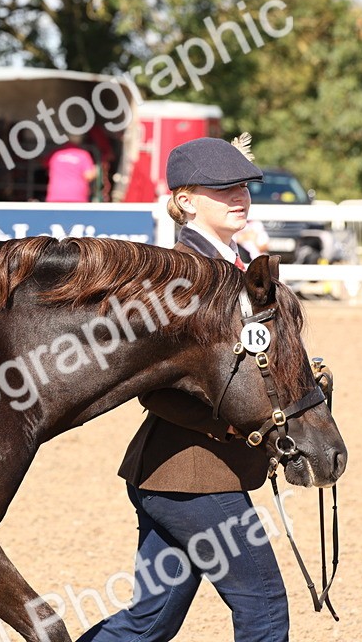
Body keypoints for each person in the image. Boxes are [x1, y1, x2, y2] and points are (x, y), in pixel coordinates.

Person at [79, 135, 290, 642]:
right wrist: (246, 424)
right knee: (263, 606)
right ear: (187, 200)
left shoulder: (241, 265)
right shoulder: (177, 278)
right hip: (192, 477)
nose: (239, 196)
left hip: (176, 477)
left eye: (242, 185)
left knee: (148, 623)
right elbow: (151, 387)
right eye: (224, 189)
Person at [44, 134, 97, 202]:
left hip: (55, 194)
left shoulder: (56, 154)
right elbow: (88, 176)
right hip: (77, 196)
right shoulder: (83, 155)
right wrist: (96, 170)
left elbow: (45, 164)